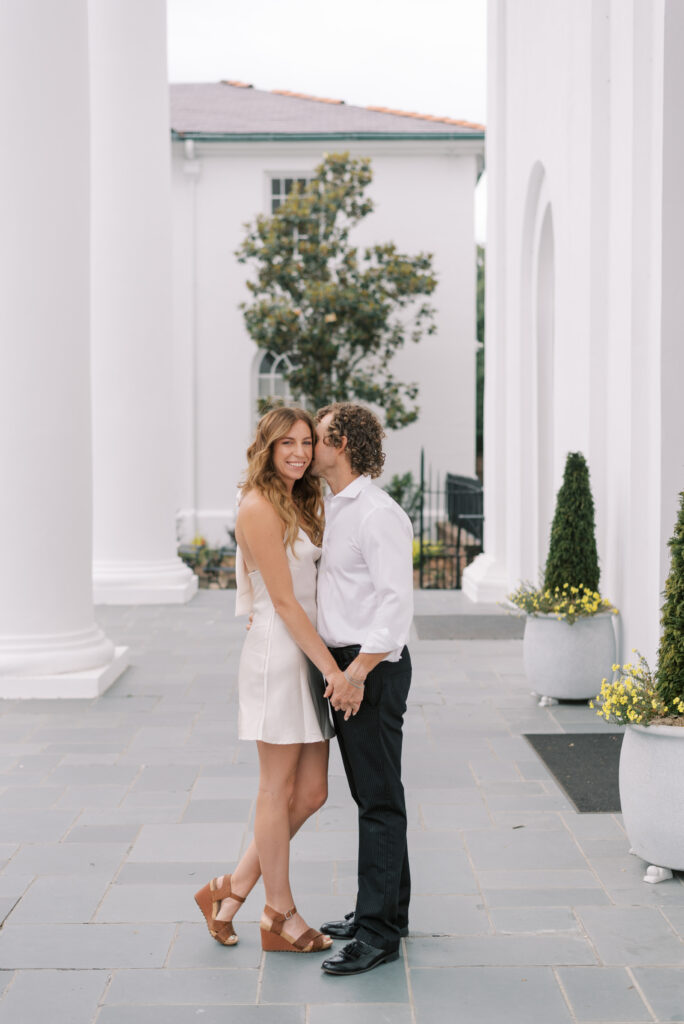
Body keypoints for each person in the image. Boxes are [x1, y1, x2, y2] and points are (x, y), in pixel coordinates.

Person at [194, 407, 353, 954]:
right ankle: (279, 913)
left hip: (306, 652)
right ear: (266, 446)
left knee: (311, 793)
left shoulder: (299, 499)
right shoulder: (259, 505)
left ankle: (230, 889)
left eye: (307, 442)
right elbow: (283, 601)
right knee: (275, 788)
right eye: (287, 442)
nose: (300, 451)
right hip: (280, 657)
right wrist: (334, 669)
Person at [312, 403, 414, 976]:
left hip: (368, 669)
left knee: (377, 801)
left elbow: (395, 602)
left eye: (319, 437)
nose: (309, 448)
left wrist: (356, 674)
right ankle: (387, 913)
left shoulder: (376, 513)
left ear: (343, 442)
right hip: (349, 665)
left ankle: (378, 935)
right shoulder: (337, 505)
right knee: (376, 795)